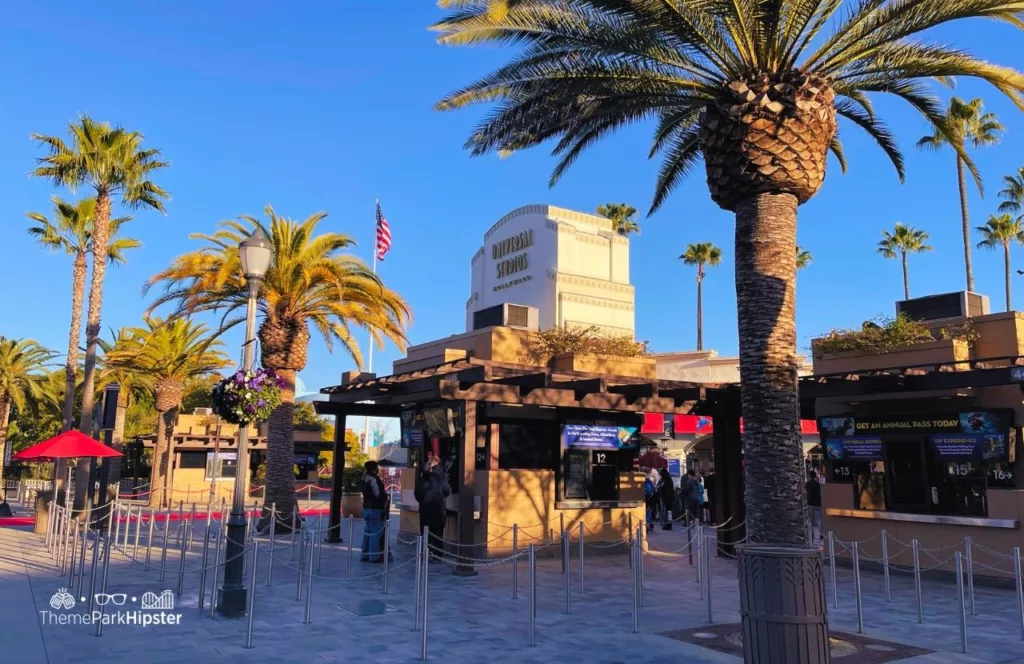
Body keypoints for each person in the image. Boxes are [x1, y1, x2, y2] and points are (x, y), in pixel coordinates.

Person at [414, 454, 450, 560]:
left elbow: (417, 494)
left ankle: (426, 552)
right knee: (438, 533)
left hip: (424, 510)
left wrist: (423, 502)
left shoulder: (422, 479)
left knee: (425, 532)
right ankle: (437, 555)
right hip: (438, 510)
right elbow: (447, 491)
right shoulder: (441, 477)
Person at [360, 461, 389, 563]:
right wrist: (384, 500)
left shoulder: (364, 478)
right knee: (376, 532)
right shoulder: (374, 479)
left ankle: (364, 554)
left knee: (368, 531)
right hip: (375, 509)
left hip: (366, 508)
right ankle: (374, 556)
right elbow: (378, 494)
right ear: (374, 468)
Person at [806, 470, 822, 543]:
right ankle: (821, 534)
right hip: (818, 504)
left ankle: (811, 537)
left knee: (812, 522)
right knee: (819, 521)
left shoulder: (808, 484)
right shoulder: (818, 485)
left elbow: (807, 494)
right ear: (815, 476)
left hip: (811, 504)